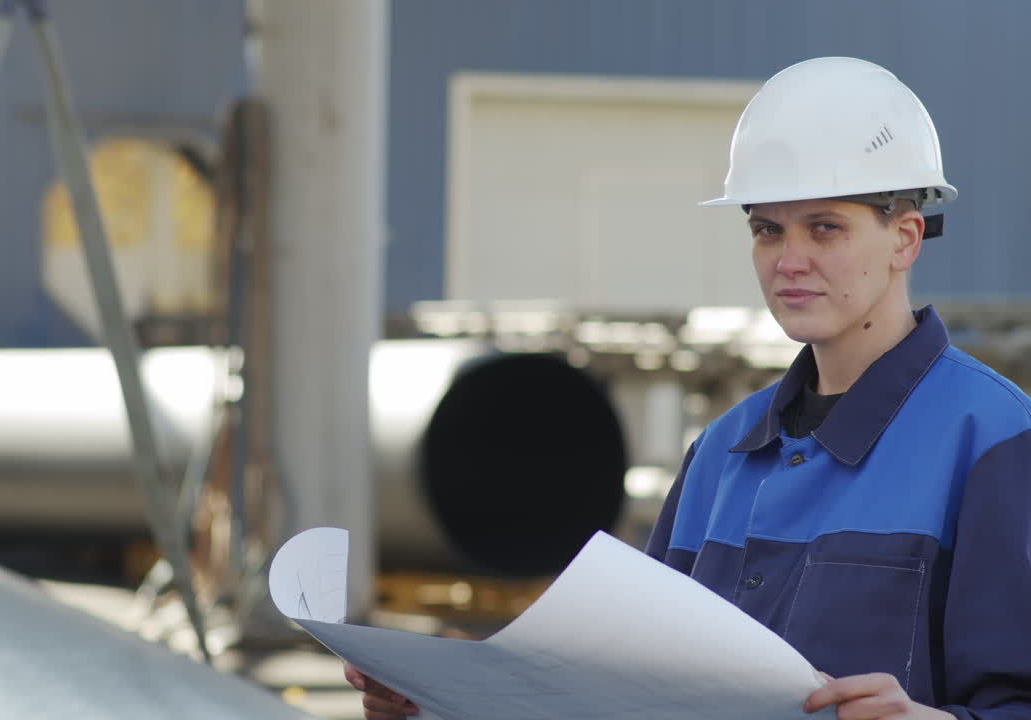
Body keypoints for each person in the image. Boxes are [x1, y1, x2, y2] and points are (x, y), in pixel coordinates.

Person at [346, 56, 1031, 719]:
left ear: (905, 239)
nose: (789, 261)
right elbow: (630, 689)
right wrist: (436, 701)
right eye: (767, 229)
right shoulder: (723, 453)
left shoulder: (994, 442)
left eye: (825, 227)